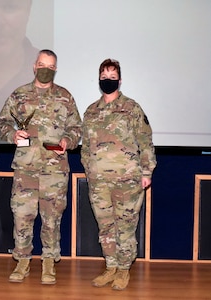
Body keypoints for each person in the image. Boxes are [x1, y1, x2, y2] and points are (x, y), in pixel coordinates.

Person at [0, 49, 82, 285]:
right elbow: (3, 121)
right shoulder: (20, 95)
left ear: (55, 70)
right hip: (25, 169)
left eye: (51, 66)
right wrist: (13, 134)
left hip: (55, 171)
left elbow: (77, 127)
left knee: (52, 219)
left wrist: (69, 140)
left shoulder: (65, 97)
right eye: (42, 64)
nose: (46, 69)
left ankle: (48, 263)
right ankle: (22, 262)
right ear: (34, 66)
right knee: (22, 217)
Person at [81, 59, 156, 290]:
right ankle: (110, 266)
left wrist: (146, 171)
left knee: (125, 226)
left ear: (120, 80)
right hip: (99, 182)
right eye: (104, 76)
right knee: (105, 227)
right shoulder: (91, 111)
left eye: (112, 77)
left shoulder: (132, 108)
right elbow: (85, 148)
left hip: (128, 180)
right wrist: (90, 171)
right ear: (98, 79)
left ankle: (124, 270)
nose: (108, 81)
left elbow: (145, 140)